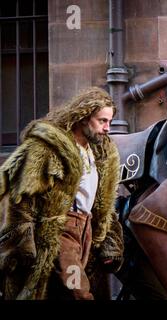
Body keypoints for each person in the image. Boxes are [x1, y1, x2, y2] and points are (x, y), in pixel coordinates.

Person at [0, 87, 124, 300]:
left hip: (86, 232)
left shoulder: (100, 153)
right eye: (102, 121)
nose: (107, 128)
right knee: (78, 291)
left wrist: (107, 238)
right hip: (60, 231)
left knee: (61, 293)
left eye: (110, 122)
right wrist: (23, 243)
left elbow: (103, 201)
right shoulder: (47, 149)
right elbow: (20, 197)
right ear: (84, 117)